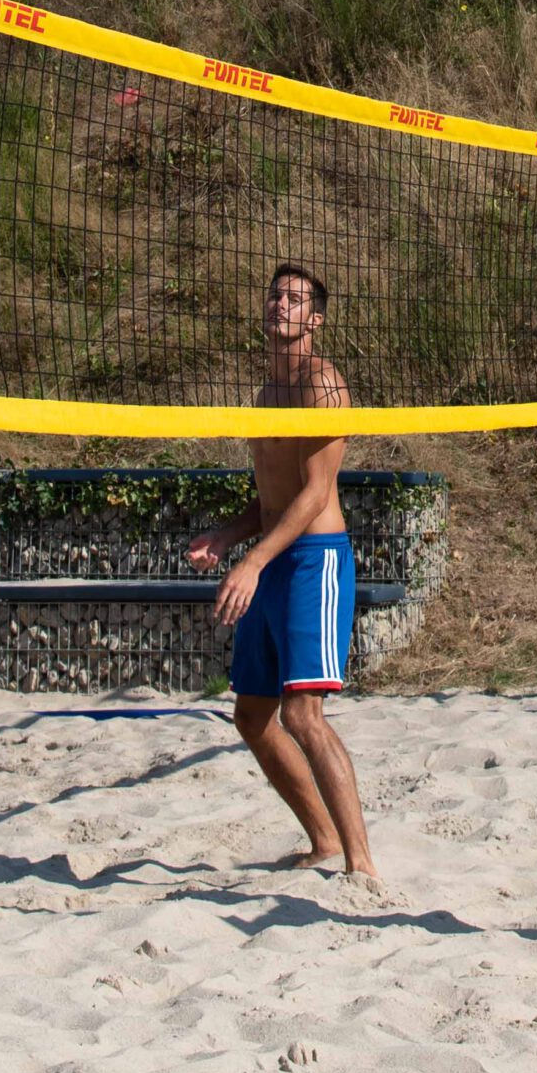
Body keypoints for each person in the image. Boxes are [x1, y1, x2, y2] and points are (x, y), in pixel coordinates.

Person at [184, 264, 377, 880]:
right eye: (274, 295)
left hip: (312, 562)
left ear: (315, 320)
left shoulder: (325, 387)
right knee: (251, 716)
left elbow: (317, 493)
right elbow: (271, 495)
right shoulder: (266, 396)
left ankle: (362, 865)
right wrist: (226, 535)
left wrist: (252, 561)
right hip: (269, 556)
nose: (279, 305)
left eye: (294, 299)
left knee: (303, 715)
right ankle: (322, 841)